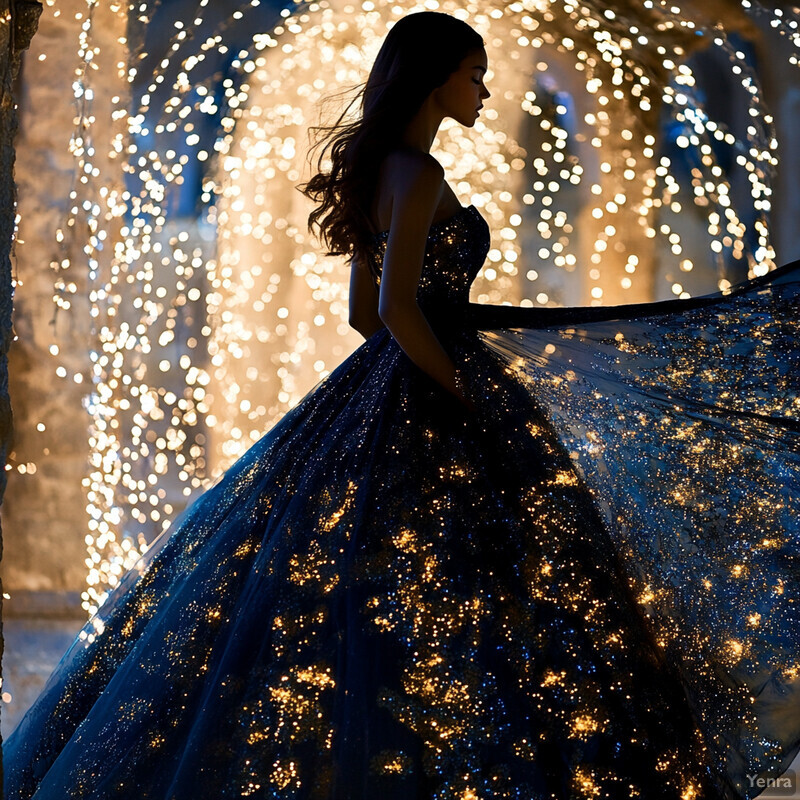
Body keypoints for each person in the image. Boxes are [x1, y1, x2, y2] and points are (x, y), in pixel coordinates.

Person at [5, 11, 800, 800]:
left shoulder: (376, 168)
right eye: (474, 73)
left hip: (382, 386)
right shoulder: (419, 175)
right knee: (484, 584)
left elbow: (364, 314)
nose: (485, 90)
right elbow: (393, 310)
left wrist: (402, 381)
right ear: (435, 78)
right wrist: (465, 393)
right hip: (428, 382)